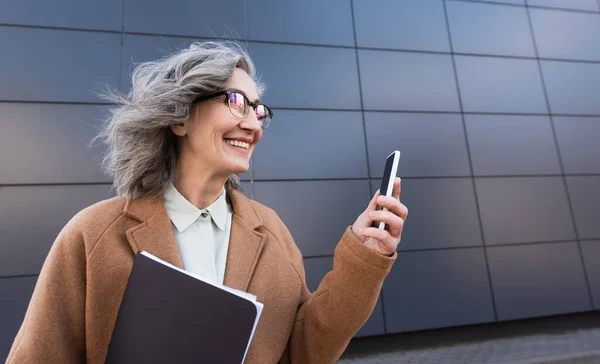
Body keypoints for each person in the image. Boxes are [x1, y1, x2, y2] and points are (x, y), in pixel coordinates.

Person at [6, 41, 408, 363]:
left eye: (259, 110)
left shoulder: (272, 234)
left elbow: (306, 350)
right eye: (235, 101)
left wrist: (363, 259)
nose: (252, 123)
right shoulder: (92, 236)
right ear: (180, 118)